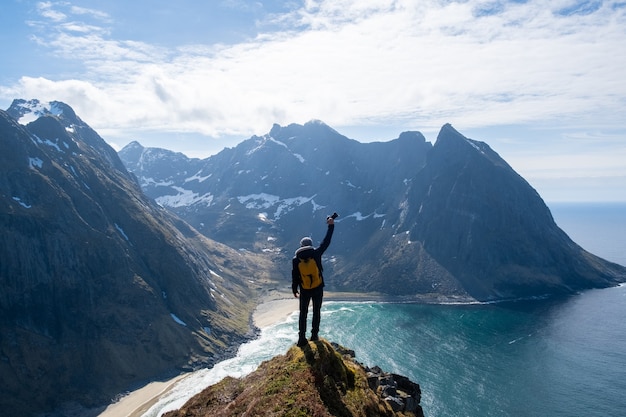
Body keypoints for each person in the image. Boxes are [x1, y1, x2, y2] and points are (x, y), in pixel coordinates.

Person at [292, 215, 335, 347]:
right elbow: (326, 241)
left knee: (303, 314)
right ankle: (314, 335)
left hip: (304, 290)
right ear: (310, 245)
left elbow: (295, 275)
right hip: (318, 288)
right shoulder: (316, 253)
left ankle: (301, 339)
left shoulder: (296, 259)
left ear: (301, 246)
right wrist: (331, 226)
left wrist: (295, 289)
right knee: (316, 311)